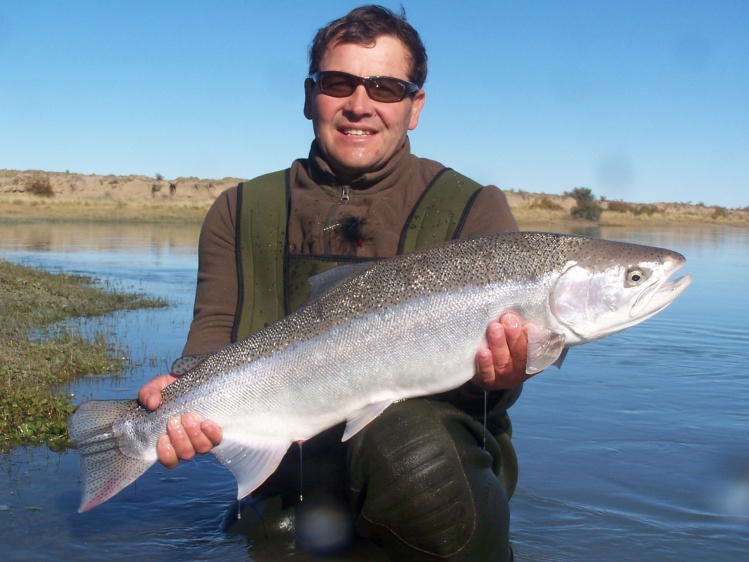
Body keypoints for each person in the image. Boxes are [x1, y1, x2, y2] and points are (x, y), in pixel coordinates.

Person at [139, 5, 539, 560]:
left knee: (411, 451)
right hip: (286, 479)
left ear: (414, 105)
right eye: (337, 83)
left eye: (385, 87)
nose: (360, 104)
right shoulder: (240, 210)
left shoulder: (472, 207)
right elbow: (212, 340)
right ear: (309, 97)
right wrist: (180, 399)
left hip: (434, 475)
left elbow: (498, 393)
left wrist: (502, 377)